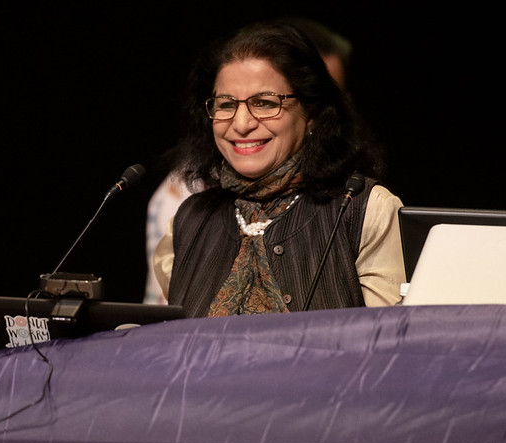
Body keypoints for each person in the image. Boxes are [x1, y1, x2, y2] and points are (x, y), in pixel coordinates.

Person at [151, 21, 405, 317]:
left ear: (311, 113)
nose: (242, 123)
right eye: (225, 105)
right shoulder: (187, 223)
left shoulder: (364, 211)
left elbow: (386, 348)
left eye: (264, 103)